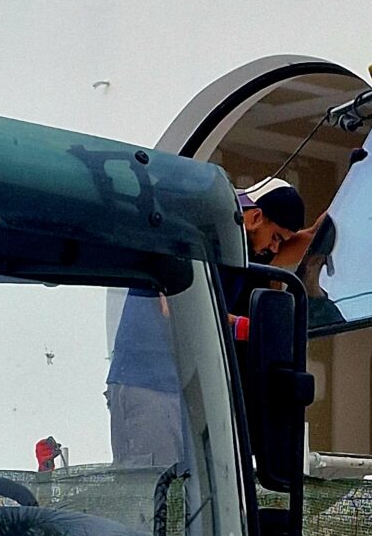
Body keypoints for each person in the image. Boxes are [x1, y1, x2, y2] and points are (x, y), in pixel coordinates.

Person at [107, 175, 321, 466]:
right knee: (155, 485)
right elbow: (180, 307)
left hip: (182, 392)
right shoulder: (193, 232)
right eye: (275, 238)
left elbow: (309, 239)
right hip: (150, 388)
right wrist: (253, 328)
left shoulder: (240, 246)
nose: (275, 248)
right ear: (255, 217)